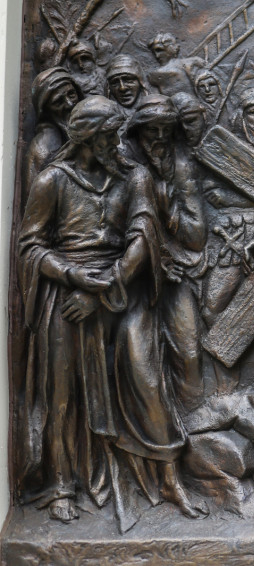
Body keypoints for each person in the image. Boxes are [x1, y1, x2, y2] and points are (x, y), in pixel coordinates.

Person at [18, 96, 200, 531]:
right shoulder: (52, 181)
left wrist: (108, 287)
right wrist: (73, 276)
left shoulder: (133, 177)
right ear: (84, 137)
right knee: (62, 393)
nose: (114, 144)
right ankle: (63, 485)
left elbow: (144, 234)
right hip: (67, 291)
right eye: (105, 137)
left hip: (123, 287)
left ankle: (170, 478)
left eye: (116, 136)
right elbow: (31, 246)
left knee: (147, 379)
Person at [129, 95, 207, 410]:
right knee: (137, 358)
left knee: (189, 352)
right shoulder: (123, 164)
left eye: (167, 130)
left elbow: (196, 237)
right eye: (152, 130)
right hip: (131, 274)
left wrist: (168, 207)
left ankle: (195, 418)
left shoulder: (182, 165)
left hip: (178, 272)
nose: (160, 138)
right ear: (138, 130)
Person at [23, 68, 81, 197]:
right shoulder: (43, 149)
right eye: (58, 102)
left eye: (71, 94)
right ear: (46, 111)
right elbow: (33, 201)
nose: (70, 104)